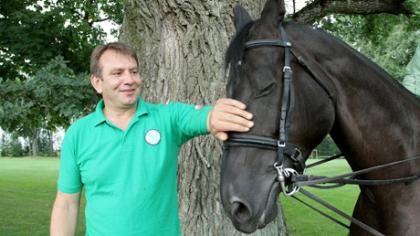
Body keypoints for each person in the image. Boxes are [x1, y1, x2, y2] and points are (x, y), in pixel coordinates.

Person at [50, 42, 253, 236]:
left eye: (134, 71)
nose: (129, 79)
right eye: (117, 73)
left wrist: (215, 117)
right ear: (97, 83)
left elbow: (204, 117)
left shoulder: (167, 118)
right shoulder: (78, 134)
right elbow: (67, 203)